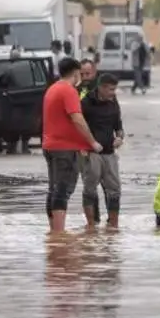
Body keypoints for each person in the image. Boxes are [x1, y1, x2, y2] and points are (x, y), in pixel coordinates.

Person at [41, 57, 103, 233]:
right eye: (80, 74)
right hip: (64, 149)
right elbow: (77, 118)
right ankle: (59, 234)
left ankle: (53, 232)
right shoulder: (69, 91)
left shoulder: (52, 89)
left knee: (53, 188)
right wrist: (92, 142)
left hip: (50, 146)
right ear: (76, 73)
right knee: (63, 189)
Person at [80, 73, 124, 230]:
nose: (113, 93)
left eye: (115, 89)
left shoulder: (114, 102)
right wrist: (83, 147)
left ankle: (113, 224)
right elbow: (77, 126)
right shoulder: (86, 103)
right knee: (90, 188)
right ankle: (91, 225)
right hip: (91, 153)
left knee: (115, 189)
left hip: (110, 153)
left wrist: (120, 138)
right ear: (101, 87)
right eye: (111, 89)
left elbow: (118, 126)